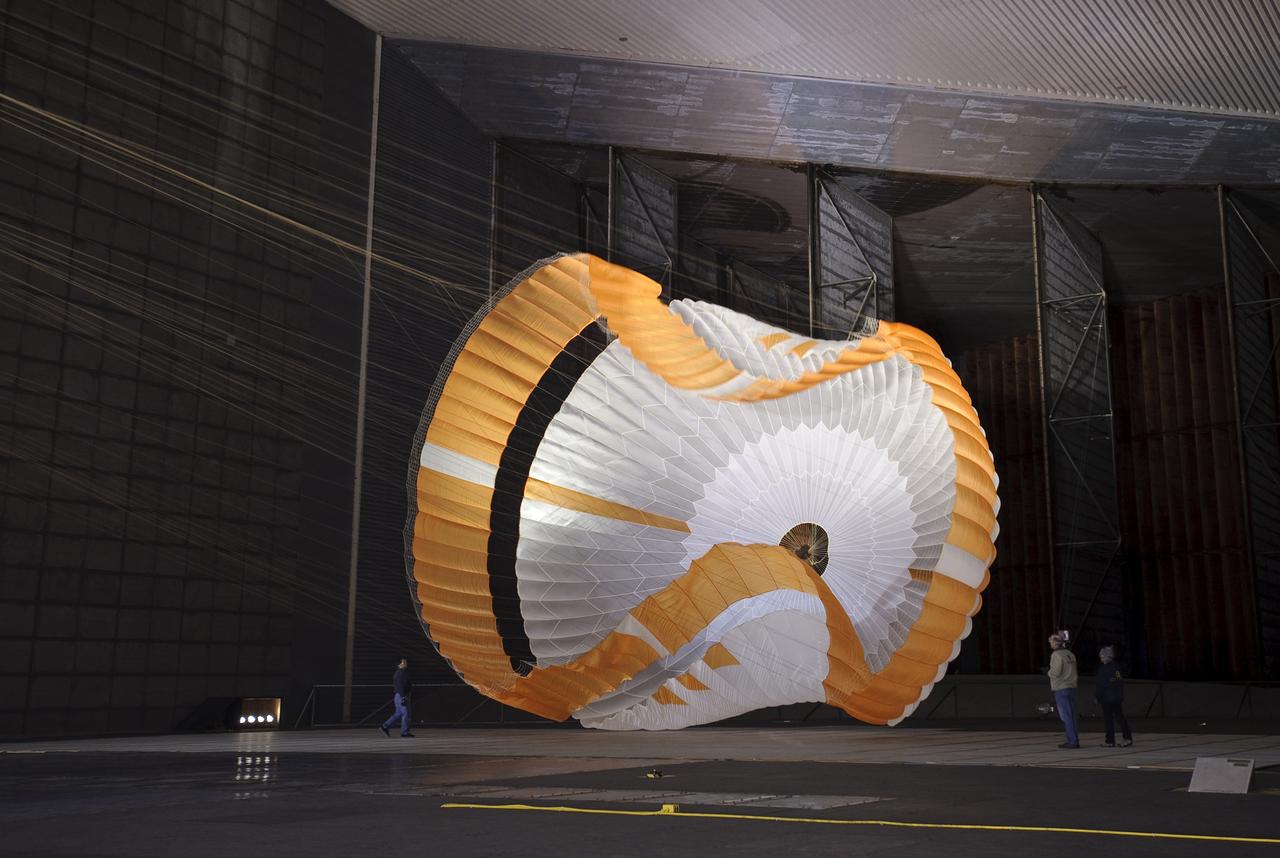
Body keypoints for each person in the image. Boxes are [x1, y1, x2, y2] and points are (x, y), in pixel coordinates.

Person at [1095, 646, 1133, 747]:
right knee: (1120, 717)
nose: (1101, 658)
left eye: (1102, 656)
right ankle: (1127, 738)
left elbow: (1101, 685)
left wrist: (1098, 697)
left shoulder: (1103, 669)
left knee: (1109, 719)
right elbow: (1119, 680)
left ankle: (1110, 740)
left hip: (1107, 697)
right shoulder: (1116, 667)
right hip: (1116, 696)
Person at [1046, 634, 1078, 748]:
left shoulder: (1056, 654)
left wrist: (1048, 672)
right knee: (1072, 716)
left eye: (1050, 642)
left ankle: (1072, 741)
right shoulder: (1070, 654)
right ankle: (1074, 739)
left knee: (1066, 716)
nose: (1050, 644)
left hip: (1061, 688)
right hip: (1072, 686)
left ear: (1055, 643)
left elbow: (1055, 672)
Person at [379, 657, 414, 738]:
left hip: (399, 695)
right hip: (402, 695)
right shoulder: (401, 673)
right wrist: (403, 696)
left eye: (405, 662)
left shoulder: (401, 672)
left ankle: (385, 727)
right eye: (403, 662)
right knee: (406, 713)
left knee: (398, 713)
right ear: (399, 665)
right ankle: (404, 732)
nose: (405, 664)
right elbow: (400, 686)